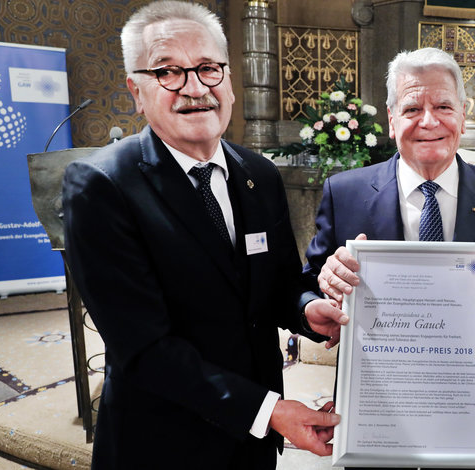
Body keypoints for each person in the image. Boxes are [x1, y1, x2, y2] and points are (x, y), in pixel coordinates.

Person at [62, 2, 340, 468]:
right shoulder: (102, 186)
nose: (195, 88)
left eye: (209, 68)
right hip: (162, 443)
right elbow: (144, 347)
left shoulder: (259, 173)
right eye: (168, 72)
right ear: (136, 89)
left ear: (228, 80)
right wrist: (269, 410)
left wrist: (308, 310)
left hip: (251, 446)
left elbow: (277, 283)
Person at [302, 47, 475, 469]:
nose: (429, 121)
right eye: (413, 107)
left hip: (464, 407)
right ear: (392, 120)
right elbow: (305, 287)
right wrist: (322, 296)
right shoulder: (346, 193)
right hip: (375, 410)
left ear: (463, 115)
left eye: (444, 106)